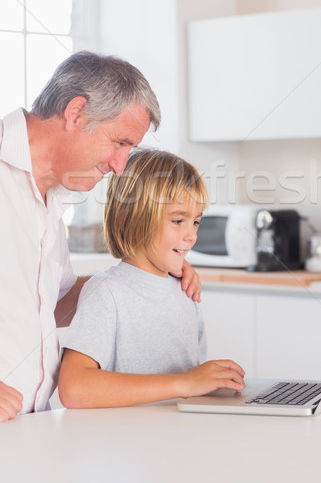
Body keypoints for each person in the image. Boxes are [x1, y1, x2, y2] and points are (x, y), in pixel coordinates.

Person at [0, 51, 202, 422]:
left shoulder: (52, 197)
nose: (120, 165)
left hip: (30, 427)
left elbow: (48, 305)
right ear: (76, 113)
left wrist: (145, 277)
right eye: (120, 142)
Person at [58, 148, 245, 408]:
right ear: (132, 221)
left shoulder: (185, 289)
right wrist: (183, 383)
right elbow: (73, 388)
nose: (191, 235)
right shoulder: (106, 293)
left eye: (196, 223)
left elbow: (191, 384)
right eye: (178, 220)